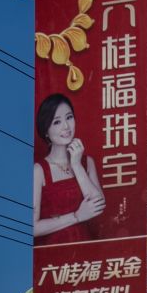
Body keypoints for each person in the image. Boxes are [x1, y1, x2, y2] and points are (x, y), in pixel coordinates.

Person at [32, 93, 106, 240]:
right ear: (46, 130)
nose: (66, 126)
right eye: (57, 122)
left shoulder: (86, 162)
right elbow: (32, 227)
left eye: (69, 117)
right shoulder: (39, 170)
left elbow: (98, 205)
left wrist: (76, 165)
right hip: (54, 256)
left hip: (86, 253)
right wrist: (76, 216)